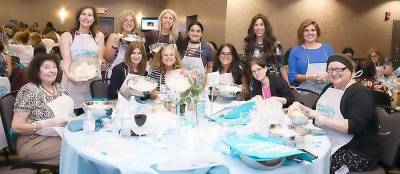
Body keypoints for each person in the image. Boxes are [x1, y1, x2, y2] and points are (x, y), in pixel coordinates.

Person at [288, 55, 378, 173]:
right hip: (330, 143)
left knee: (314, 164)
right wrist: (300, 107)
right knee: (296, 155)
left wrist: (323, 119)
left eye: (340, 69)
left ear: (350, 71)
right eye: (331, 70)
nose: (335, 73)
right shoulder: (328, 88)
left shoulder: (360, 93)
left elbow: (354, 126)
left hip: (358, 151)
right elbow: (315, 112)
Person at [11, 53, 74, 165]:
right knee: (74, 153)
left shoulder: (60, 87)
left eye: (54, 67)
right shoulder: (29, 90)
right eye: (46, 67)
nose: (52, 70)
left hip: (59, 134)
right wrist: (46, 124)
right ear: (37, 70)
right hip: (33, 141)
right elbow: (16, 127)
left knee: (84, 145)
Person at [59, 5, 105, 114]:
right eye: (83, 14)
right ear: (78, 17)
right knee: (72, 116)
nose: (86, 17)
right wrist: (72, 77)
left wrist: (96, 68)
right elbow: (67, 62)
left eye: (90, 15)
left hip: (92, 83)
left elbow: (99, 59)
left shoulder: (99, 36)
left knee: (92, 115)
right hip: (73, 83)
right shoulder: (67, 36)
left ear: (94, 19)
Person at [288, 19, 334, 94]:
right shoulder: (295, 51)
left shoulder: (327, 48)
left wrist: (327, 75)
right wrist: (309, 77)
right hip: (305, 93)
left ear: (317, 32)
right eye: (306, 30)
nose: (310, 33)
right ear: (302, 33)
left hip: (327, 91)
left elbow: (334, 69)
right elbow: (292, 76)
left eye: (313, 30)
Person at [243, 14, 284, 78]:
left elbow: (281, 66)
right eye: (256, 25)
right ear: (252, 28)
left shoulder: (275, 44)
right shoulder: (248, 45)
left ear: (266, 27)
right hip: (254, 82)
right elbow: (244, 67)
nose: (259, 28)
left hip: (272, 82)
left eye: (261, 25)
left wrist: (288, 84)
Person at [104, 10, 143, 78]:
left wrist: (142, 47)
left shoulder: (137, 39)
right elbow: (107, 59)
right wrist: (115, 43)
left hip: (132, 75)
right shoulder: (114, 36)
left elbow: (139, 60)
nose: (129, 23)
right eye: (126, 20)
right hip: (114, 75)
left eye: (131, 20)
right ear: (121, 23)